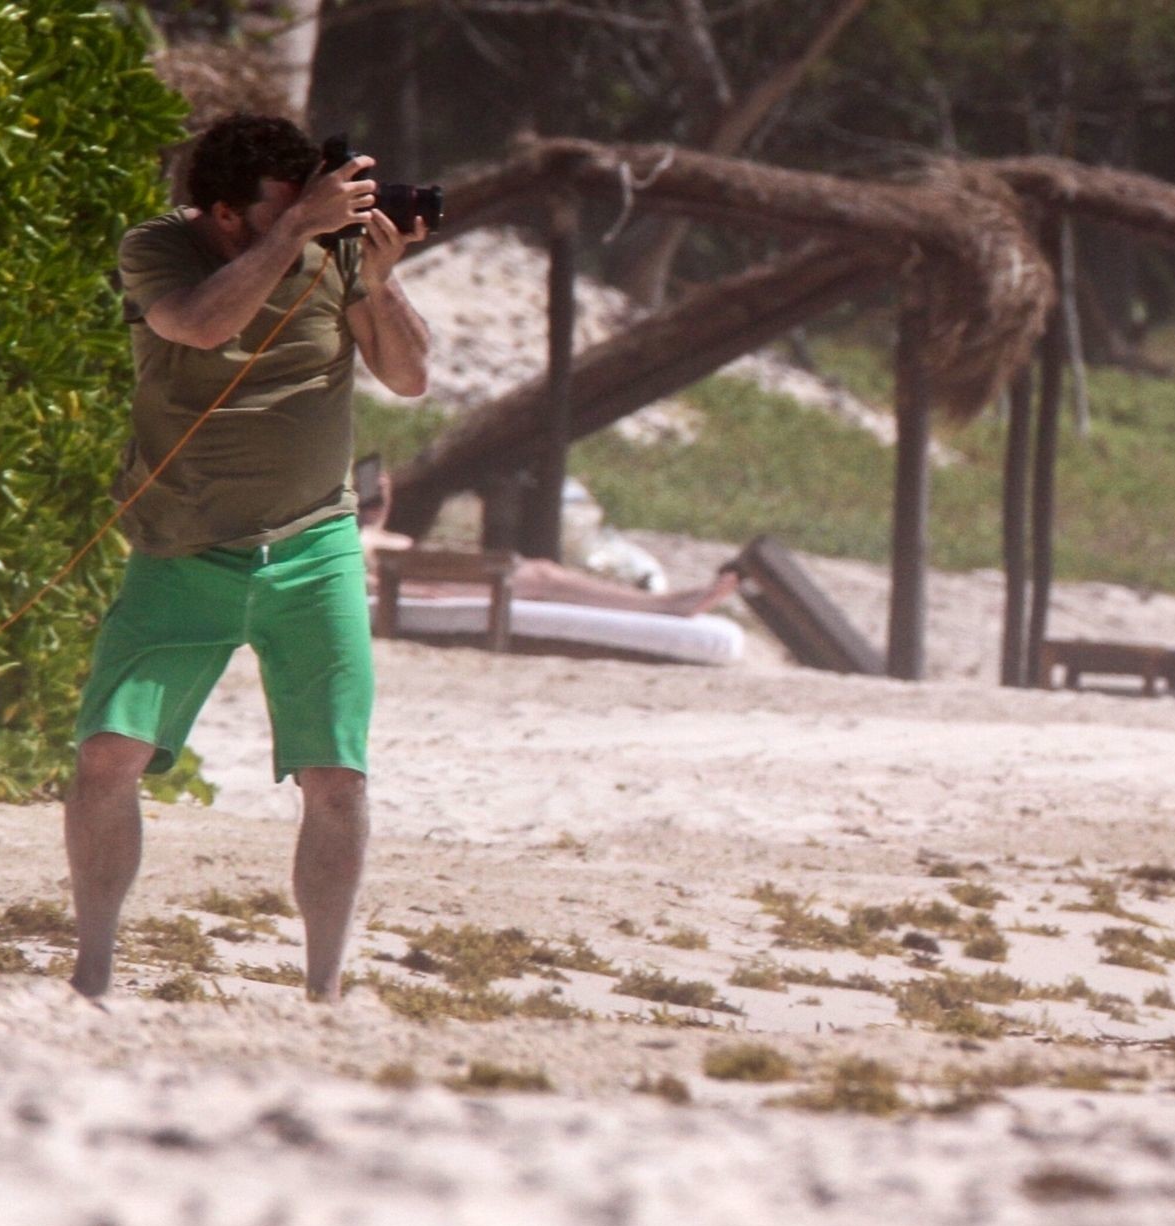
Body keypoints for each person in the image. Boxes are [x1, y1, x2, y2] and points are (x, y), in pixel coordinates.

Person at [66, 114, 431, 1002]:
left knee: (336, 777)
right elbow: (197, 325)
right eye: (285, 204)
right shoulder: (159, 247)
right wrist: (297, 232)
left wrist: (376, 282)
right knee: (108, 757)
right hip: (183, 548)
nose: (313, 214)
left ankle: (323, 992)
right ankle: (92, 971)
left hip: (315, 545)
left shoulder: (333, 252)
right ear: (226, 213)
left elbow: (410, 378)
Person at [357, 472, 739, 617]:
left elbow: (376, 543)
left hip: (430, 570)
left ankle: (664, 604)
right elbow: (356, 583)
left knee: (544, 575)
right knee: (544, 578)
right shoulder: (340, 543)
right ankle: (666, 605)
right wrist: (412, 593)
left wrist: (380, 510)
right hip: (423, 579)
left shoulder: (353, 531)